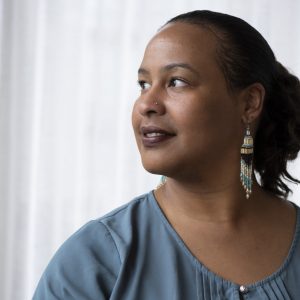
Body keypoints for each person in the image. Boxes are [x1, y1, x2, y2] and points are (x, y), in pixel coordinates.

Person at [33, 10, 300, 299]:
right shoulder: (91, 261)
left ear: (249, 103)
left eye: (176, 82)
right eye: (143, 84)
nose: (146, 103)